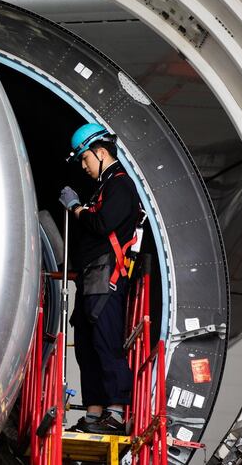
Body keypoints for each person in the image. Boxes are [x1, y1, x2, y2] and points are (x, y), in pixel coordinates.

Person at [58, 123, 141, 435]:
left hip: (108, 278)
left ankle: (116, 412)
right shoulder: (104, 188)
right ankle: (94, 414)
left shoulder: (121, 186)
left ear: (102, 152)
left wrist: (76, 208)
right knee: (87, 348)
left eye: (85, 159)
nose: (84, 165)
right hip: (91, 279)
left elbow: (102, 223)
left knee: (107, 344)